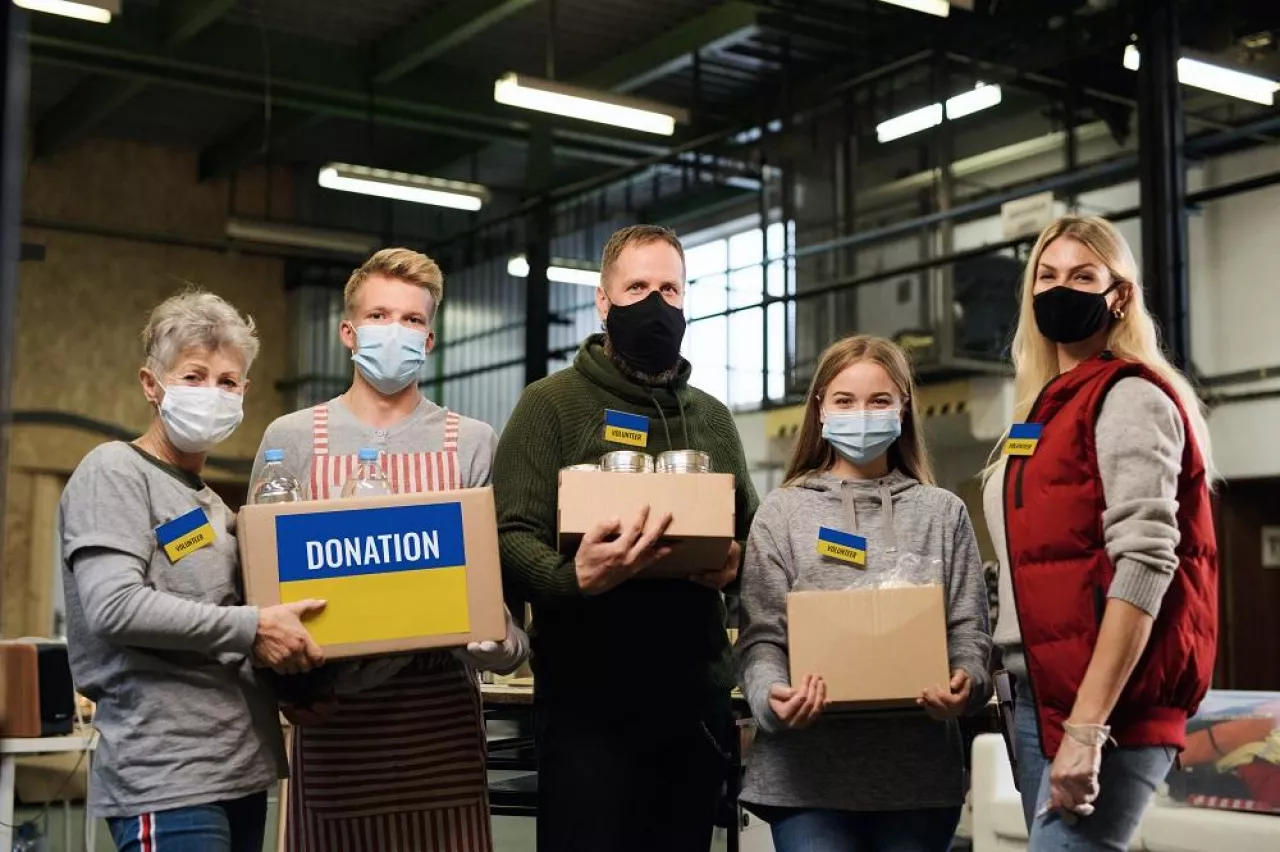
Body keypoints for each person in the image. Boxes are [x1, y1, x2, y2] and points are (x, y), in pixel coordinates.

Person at [252, 248, 529, 852]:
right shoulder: (292, 439)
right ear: (349, 332)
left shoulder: (472, 443)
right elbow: (260, 598)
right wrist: (293, 690)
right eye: (380, 315)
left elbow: (502, 611)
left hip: (440, 725)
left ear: (429, 340)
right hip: (333, 723)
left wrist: (497, 641)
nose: (395, 331)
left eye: (411, 320)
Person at [493, 224, 759, 852]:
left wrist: (734, 563)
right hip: (588, 707)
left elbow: (754, 538)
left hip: (693, 706)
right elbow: (509, 533)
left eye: (670, 288)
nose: (655, 303)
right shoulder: (549, 406)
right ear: (603, 301)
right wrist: (572, 577)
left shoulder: (712, 420)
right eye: (637, 286)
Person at [983, 216, 1218, 851]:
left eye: (1083, 275)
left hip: (1108, 703)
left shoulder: (1128, 397)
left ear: (1119, 295)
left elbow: (1143, 562)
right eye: (1047, 275)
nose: (1061, 289)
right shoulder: (1043, 409)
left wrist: (1088, 726)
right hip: (1037, 694)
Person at [59, 290, 324, 852]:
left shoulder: (214, 509)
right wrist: (257, 628)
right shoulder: (114, 472)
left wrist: (290, 676)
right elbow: (116, 606)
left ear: (246, 393)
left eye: (228, 382)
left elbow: (226, 624)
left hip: (240, 767)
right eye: (194, 376)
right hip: (166, 775)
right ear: (152, 385)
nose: (213, 393)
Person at [736, 334, 993, 852]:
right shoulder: (782, 513)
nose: (862, 414)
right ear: (821, 410)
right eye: (845, 400)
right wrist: (771, 696)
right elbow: (761, 636)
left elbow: (970, 631)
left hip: (917, 780)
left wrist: (966, 682)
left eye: (879, 401)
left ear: (903, 407)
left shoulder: (942, 513)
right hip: (806, 775)